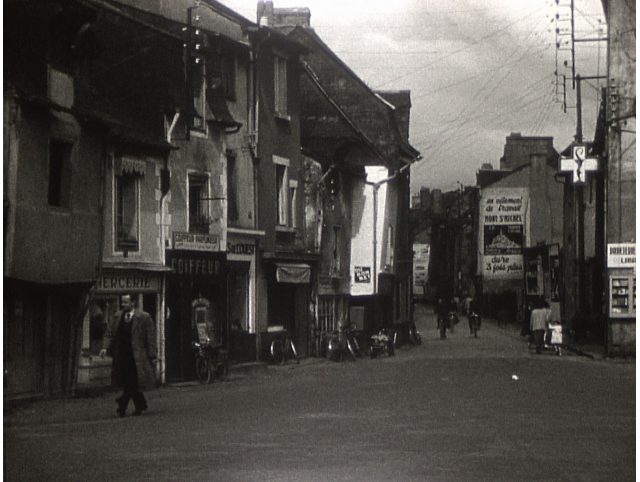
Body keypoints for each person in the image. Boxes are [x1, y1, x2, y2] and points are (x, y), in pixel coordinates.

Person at [100, 294, 157, 417]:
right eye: (122, 302)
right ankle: (140, 403)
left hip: (136, 357)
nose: (123, 305)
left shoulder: (144, 317)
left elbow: (150, 337)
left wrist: (152, 355)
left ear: (133, 303)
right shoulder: (117, 316)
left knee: (132, 381)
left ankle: (122, 405)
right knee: (129, 381)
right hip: (121, 355)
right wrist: (105, 347)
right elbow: (109, 333)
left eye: (126, 302)